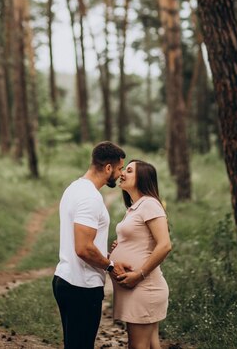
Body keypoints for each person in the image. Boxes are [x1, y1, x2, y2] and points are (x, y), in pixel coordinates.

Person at [52, 141, 128, 349]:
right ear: (108, 168)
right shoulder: (90, 198)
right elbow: (83, 248)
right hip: (81, 285)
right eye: (120, 168)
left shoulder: (74, 188)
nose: (121, 174)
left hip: (66, 279)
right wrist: (110, 265)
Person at [111, 159, 172, 349]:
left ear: (142, 178)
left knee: (138, 346)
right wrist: (120, 246)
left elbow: (164, 245)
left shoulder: (149, 204)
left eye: (129, 171)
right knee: (151, 345)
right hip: (137, 288)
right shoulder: (134, 208)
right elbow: (142, 238)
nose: (122, 173)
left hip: (144, 286)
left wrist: (139, 275)